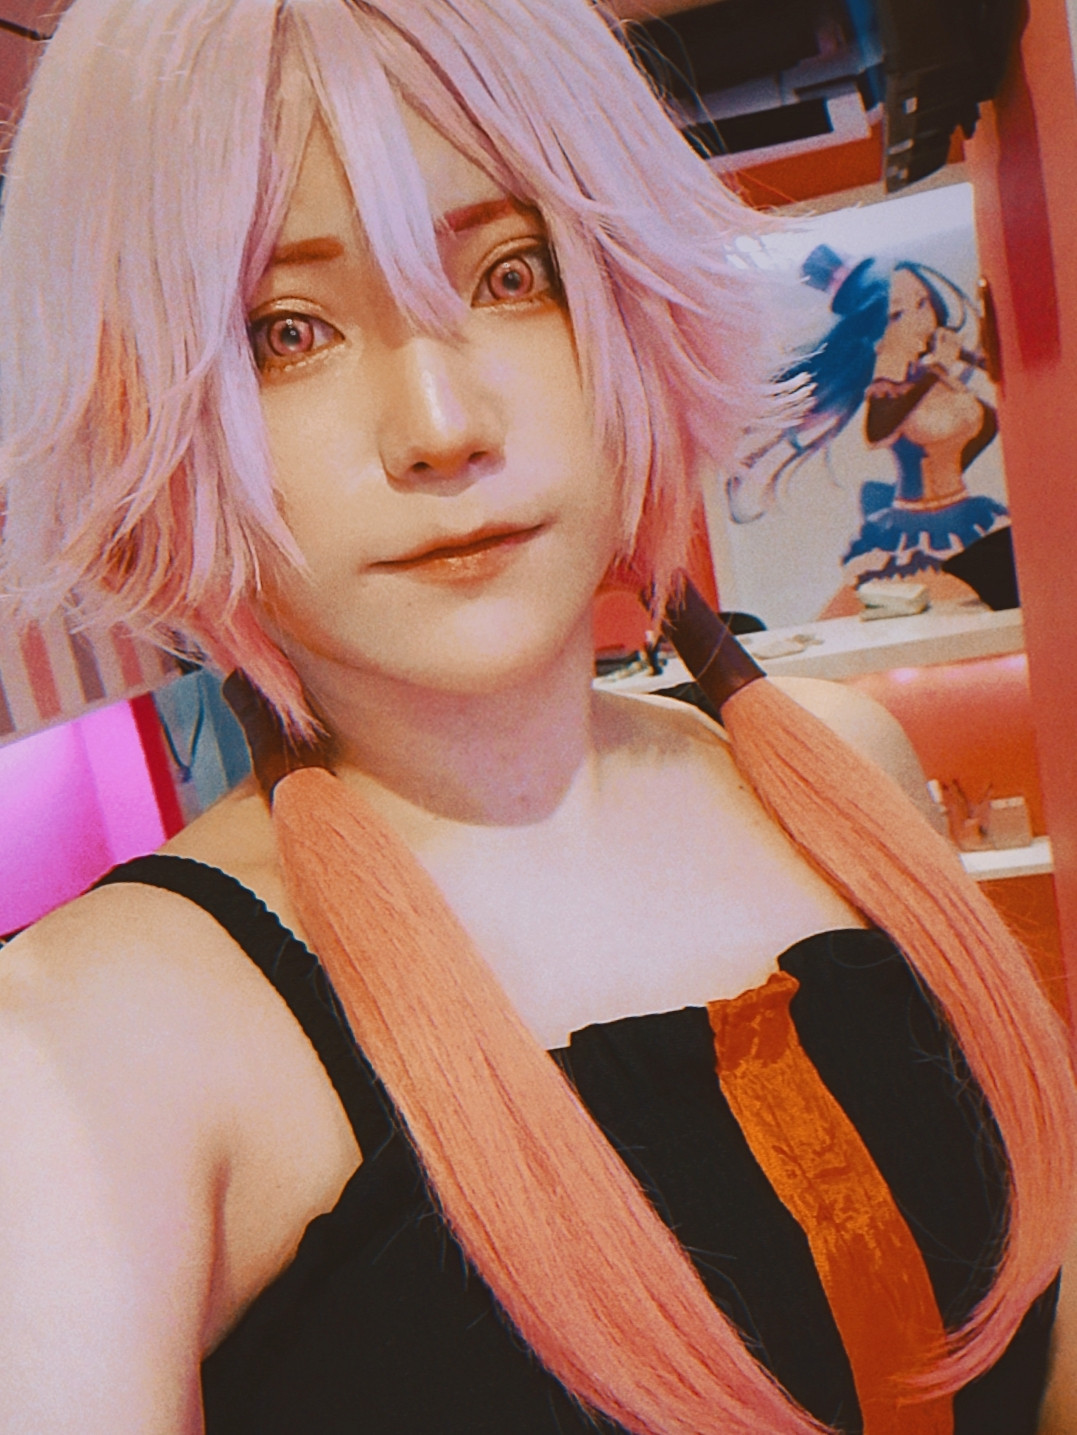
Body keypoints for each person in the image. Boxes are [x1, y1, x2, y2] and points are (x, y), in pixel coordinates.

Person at [0, 2, 1074, 1432]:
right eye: (286, 332)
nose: (442, 423)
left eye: (512, 274)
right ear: (150, 405)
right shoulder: (88, 1046)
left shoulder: (840, 766)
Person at [726, 246, 1012, 612]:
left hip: (967, 514)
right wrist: (937, 370)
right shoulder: (888, 388)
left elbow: (982, 429)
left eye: (923, 304)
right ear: (879, 334)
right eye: (899, 314)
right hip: (912, 530)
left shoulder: (947, 380)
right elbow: (879, 430)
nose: (918, 320)